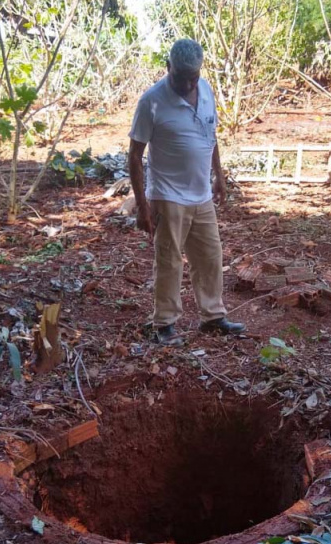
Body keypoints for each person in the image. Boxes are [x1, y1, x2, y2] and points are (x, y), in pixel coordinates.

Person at [127, 38, 246, 346]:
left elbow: (211, 135)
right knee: (169, 261)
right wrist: (142, 206)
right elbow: (135, 155)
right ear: (168, 68)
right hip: (167, 196)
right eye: (182, 78)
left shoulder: (205, 90)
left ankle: (213, 316)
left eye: (194, 77)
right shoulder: (151, 101)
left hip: (201, 194)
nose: (189, 85)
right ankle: (164, 324)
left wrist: (219, 175)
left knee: (210, 257)